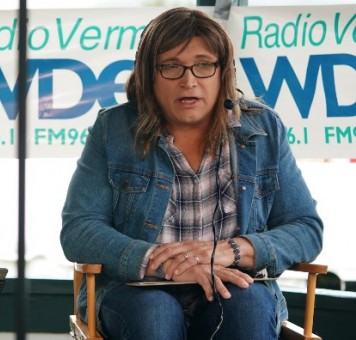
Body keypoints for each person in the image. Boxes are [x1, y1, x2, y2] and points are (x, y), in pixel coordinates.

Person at [60, 7, 323, 340]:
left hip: (233, 285)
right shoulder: (113, 129)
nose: (189, 80)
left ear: (223, 72)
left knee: (249, 306)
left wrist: (235, 250)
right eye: (171, 66)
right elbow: (80, 229)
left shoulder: (263, 128)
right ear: (148, 75)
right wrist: (159, 260)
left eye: (203, 65)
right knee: (154, 311)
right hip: (137, 290)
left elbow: (305, 229)